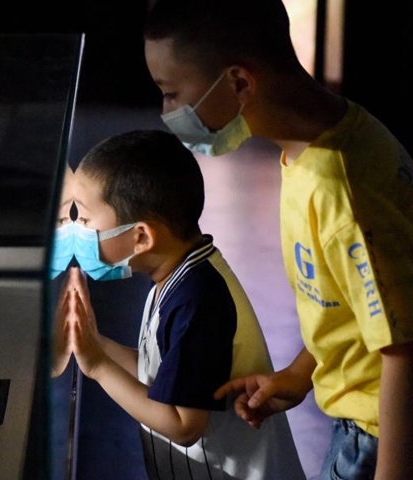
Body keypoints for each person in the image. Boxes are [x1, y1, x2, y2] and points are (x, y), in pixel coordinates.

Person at [141, 1, 413, 479]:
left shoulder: (340, 189)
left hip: (378, 436)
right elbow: (366, 309)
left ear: (240, 83)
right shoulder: (323, 143)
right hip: (361, 421)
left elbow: (404, 347)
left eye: (171, 93)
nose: (168, 111)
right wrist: (301, 373)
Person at [51, 130, 304, 480]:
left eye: (86, 220)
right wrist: (97, 343)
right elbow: (168, 374)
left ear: (141, 236)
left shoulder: (199, 299)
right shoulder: (178, 273)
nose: (77, 230)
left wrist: (98, 366)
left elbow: (185, 425)